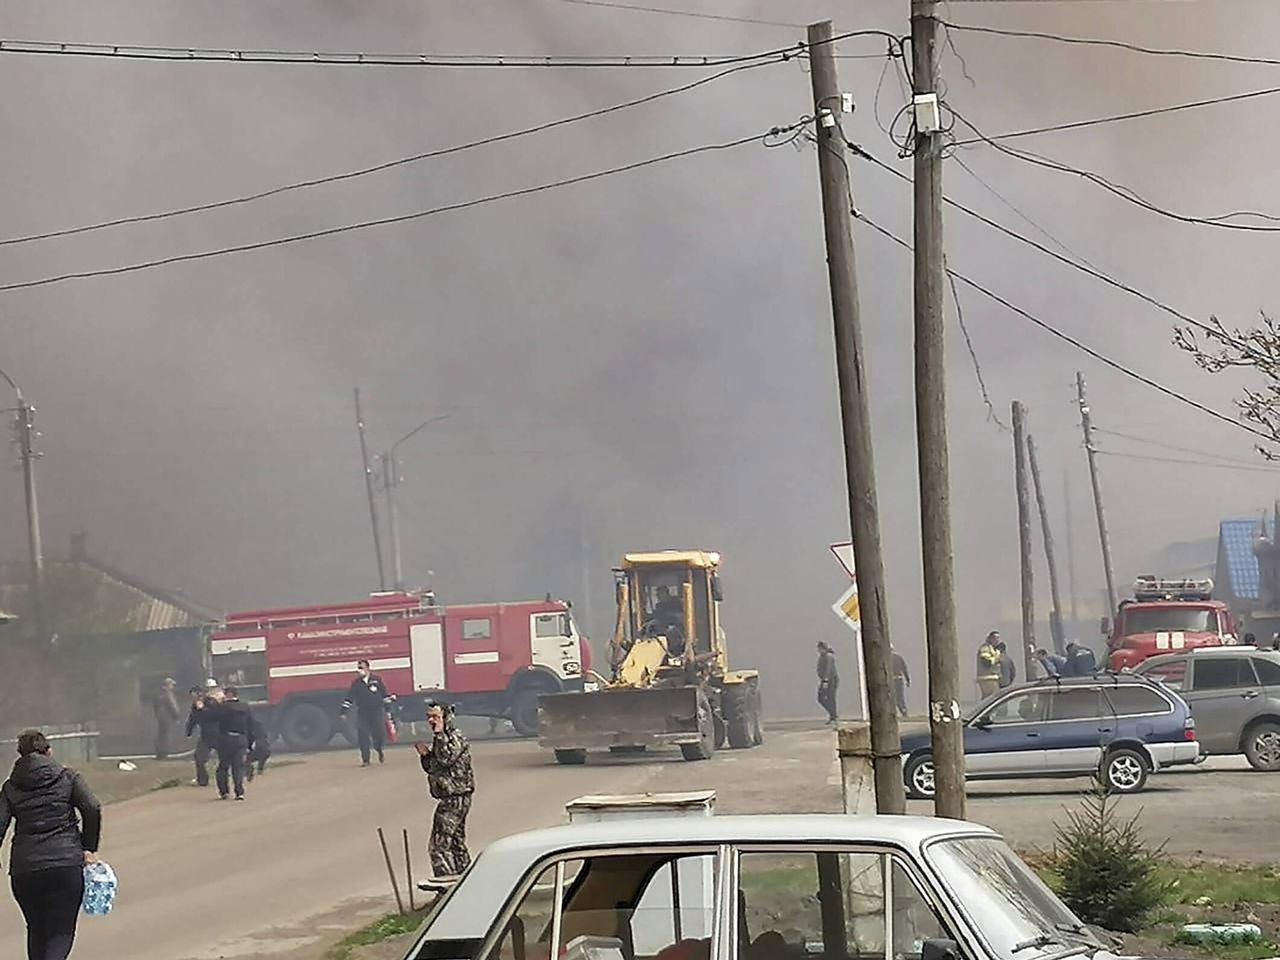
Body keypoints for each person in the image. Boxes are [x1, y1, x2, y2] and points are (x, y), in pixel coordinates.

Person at [0, 729, 102, 960]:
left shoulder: (10, 787)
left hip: (24, 869)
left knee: (36, 930)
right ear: (49, 752)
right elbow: (92, 807)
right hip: (65, 864)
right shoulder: (68, 777)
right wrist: (89, 848)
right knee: (60, 932)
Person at [415, 702, 475, 879]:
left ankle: (446, 888)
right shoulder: (442, 738)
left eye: (436, 717)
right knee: (456, 842)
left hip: (455, 797)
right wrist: (426, 756)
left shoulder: (454, 737)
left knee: (439, 846)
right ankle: (465, 879)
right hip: (452, 795)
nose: (432, 721)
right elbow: (435, 767)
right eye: (429, 717)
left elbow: (447, 758)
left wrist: (439, 733)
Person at [340, 660, 397, 767]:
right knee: (362, 734)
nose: (359, 670)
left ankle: (379, 750)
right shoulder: (356, 683)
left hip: (376, 711)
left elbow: (385, 695)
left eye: (362, 667)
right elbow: (349, 698)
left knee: (378, 733)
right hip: (363, 712)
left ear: (368, 668)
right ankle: (365, 759)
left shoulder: (377, 680)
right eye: (358, 668)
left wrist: (388, 710)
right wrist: (343, 712)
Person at [215, 686, 255, 801]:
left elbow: (213, 719)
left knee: (223, 767)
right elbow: (251, 725)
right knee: (238, 767)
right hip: (241, 739)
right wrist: (250, 743)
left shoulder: (222, 707)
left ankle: (224, 792)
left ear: (228, 694)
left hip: (226, 739)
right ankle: (239, 792)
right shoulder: (245, 707)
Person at [185, 685, 222, 788]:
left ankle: (229, 774)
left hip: (217, 733)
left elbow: (216, 715)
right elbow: (193, 718)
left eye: (197, 695)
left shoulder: (211, 702)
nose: (196, 698)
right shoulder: (195, 705)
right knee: (199, 757)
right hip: (205, 735)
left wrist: (203, 709)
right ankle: (202, 780)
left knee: (225, 756)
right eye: (193, 696)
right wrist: (189, 730)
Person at [153, 677, 180, 760]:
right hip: (167, 717)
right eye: (172, 685)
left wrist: (157, 714)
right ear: (168, 685)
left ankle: (159, 753)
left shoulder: (158, 693)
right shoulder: (168, 694)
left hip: (160, 717)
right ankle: (164, 753)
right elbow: (172, 706)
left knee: (160, 736)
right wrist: (176, 716)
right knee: (166, 736)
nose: (173, 687)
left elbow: (155, 705)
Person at [816, 641, 839, 724]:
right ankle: (833, 714)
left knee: (830, 697)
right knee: (821, 698)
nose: (818, 650)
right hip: (824, 680)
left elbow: (829, 669)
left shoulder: (829, 657)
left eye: (820, 648)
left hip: (831, 680)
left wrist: (826, 680)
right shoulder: (822, 657)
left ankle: (834, 716)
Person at [245, 716, 271, 782]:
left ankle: (249, 771)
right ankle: (260, 769)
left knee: (246, 758)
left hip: (257, 744)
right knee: (264, 754)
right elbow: (265, 735)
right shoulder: (260, 724)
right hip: (265, 747)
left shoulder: (247, 726)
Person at [976, 632, 1001, 699]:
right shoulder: (985, 648)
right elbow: (987, 662)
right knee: (989, 698)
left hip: (993, 678)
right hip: (987, 678)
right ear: (990, 639)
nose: (997, 640)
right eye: (995, 638)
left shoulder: (994, 649)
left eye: (998, 638)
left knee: (993, 698)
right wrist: (997, 658)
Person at [890, 646, 910, 718]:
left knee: (891, 697)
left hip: (891, 680)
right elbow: (904, 668)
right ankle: (904, 711)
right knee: (900, 697)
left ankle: (894, 713)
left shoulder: (887, 658)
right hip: (899, 679)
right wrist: (907, 680)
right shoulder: (899, 657)